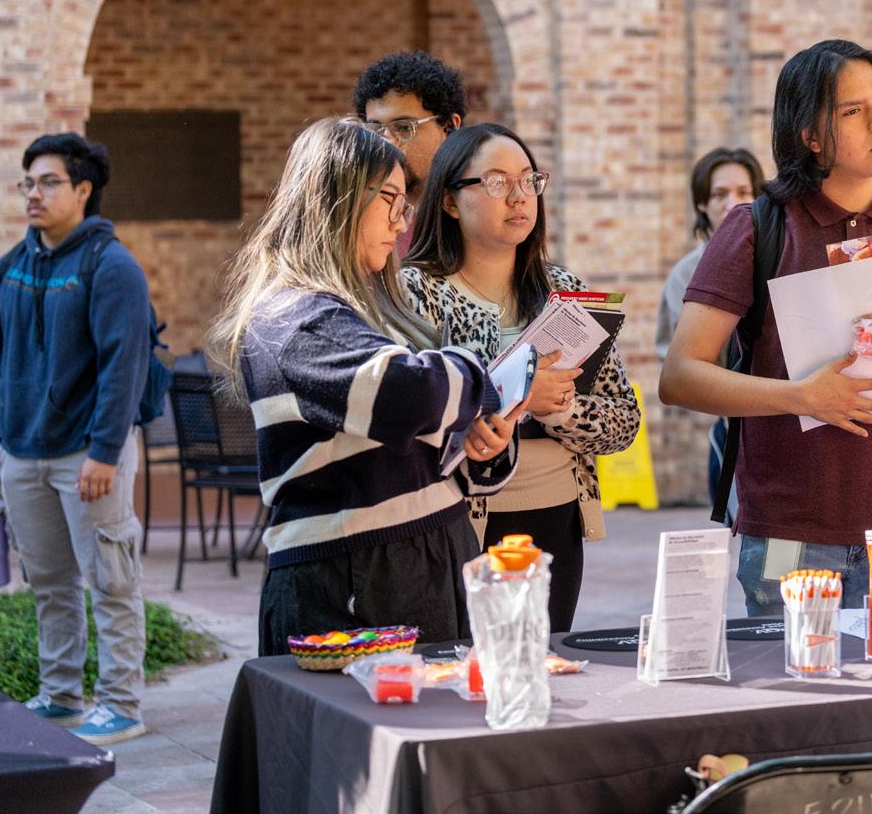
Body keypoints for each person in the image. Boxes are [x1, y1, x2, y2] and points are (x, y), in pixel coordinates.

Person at [659, 39, 872, 615]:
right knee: (791, 672)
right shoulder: (755, 228)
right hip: (786, 530)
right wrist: (803, 396)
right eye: (852, 110)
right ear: (810, 137)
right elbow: (680, 376)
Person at [208, 118, 524, 657]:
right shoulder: (297, 318)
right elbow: (411, 396)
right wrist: (475, 370)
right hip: (357, 575)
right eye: (391, 200)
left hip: (415, 557)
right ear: (339, 199)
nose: (402, 223)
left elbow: (415, 441)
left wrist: (476, 443)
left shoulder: (361, 308)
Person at [403, 123, 640, 633]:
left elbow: (623, 422)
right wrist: (512, 398)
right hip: (454, 518)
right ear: (449, 201)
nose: (518, 196)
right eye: (496, 182)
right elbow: (406, 415)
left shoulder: (566, 292)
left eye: (529, 180)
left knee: (542, 658)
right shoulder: (416, 293)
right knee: (464, 664)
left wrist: (562, 408)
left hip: (556, 514)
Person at [0, 135, 153, 745]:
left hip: (88, 455)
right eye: (28, 182)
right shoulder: (9, 268)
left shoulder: (112, 267)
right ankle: (60, 696)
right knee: (49, 585)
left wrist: (104, 452)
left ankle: (122, 704)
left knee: (111, 581)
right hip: (21, 454)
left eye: (48, 182)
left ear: (83, 190)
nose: (34, 193)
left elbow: (124, 367)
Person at [654, 147, 765, 512]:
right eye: (720, 194)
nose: (733, 203)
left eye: (744, 192)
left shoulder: (779, 256)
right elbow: (680, 367)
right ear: (702, 203)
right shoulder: (686, 275)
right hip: (735, 429)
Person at [352, 50, 468, 193]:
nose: (386, 143)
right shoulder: (358, 203)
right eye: (376, 130)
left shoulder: (476, 202)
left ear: (449, 126)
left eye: (404, 128)